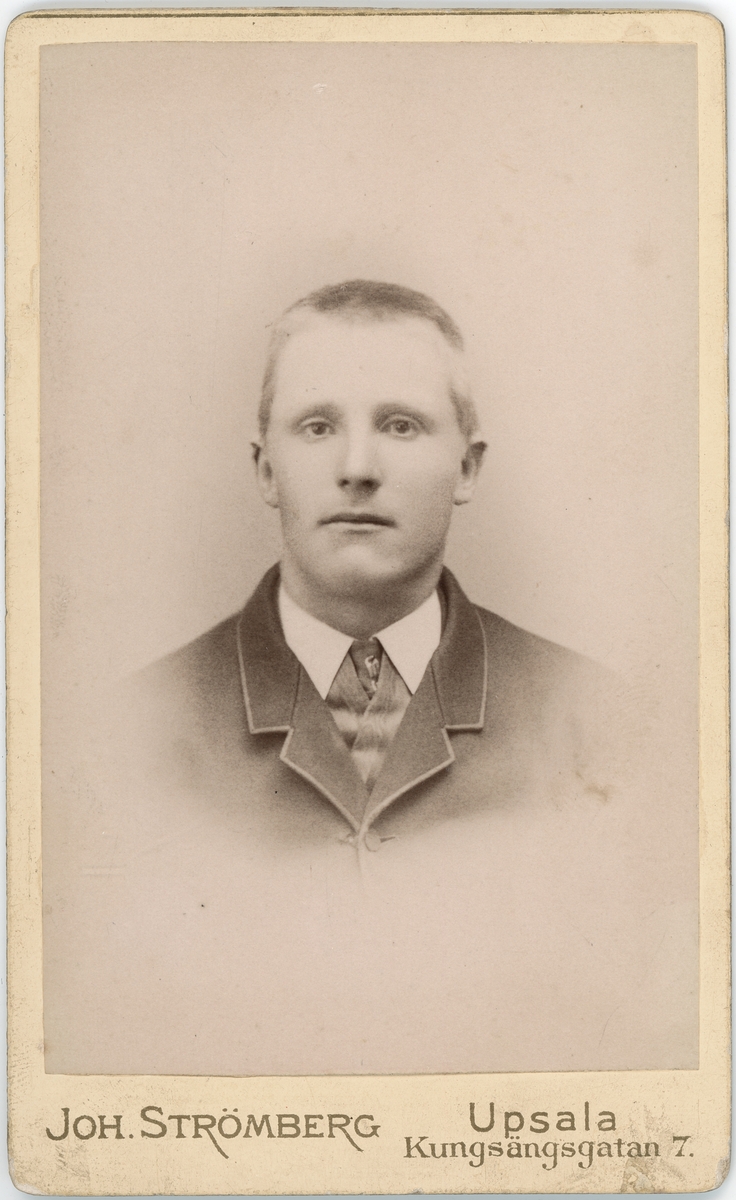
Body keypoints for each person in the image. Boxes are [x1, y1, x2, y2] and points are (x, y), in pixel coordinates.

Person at [43, 280, 697, 1077]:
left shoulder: (599, 725)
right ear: (266, 470)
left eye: (400, 425)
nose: (357, 467)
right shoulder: (123, 739)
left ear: (467, 466)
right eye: (317, 427)